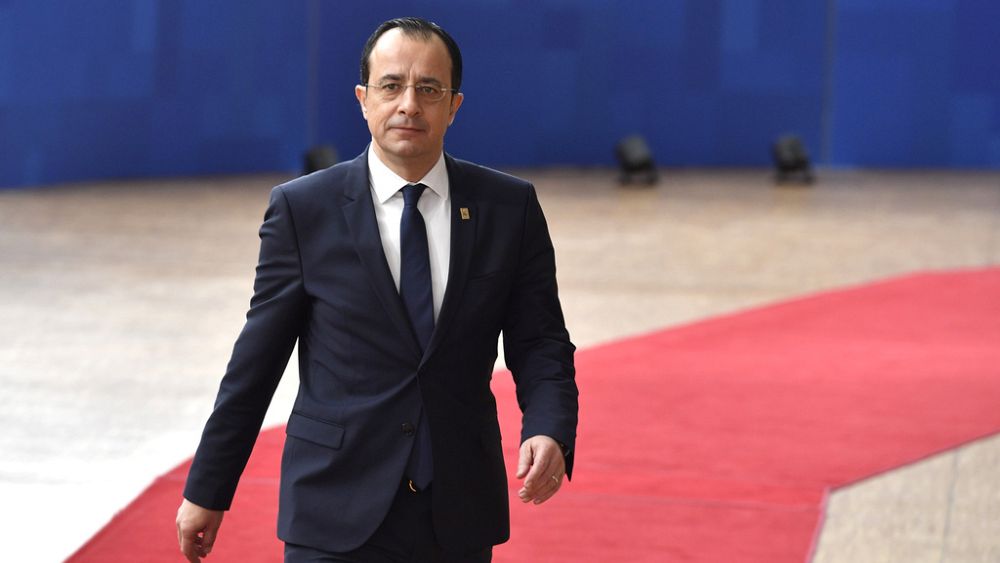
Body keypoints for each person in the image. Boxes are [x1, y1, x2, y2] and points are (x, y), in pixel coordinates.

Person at [175, 16, 578, 563]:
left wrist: (549, 427)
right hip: (334, 505)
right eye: (391, 86)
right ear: (363, 99)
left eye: (429, 89)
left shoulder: (509, 208)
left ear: (454, 106)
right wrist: (208, 488)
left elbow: (541, 341)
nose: (409, 104)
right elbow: (256, 362)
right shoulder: (303, 210)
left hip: (457, 508)